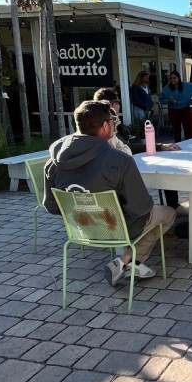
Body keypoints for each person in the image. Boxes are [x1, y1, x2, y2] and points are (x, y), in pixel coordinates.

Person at [44, 100, 176, 286]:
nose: (115, 124)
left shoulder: (52, 163)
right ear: (105, 126)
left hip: (81, 229)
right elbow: (141, 208)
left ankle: (127, 263)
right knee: (169, 213)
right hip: (117, 228)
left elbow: (51, 206)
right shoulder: (119, 160)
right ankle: (129, 261)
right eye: (113, 121)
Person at [93, 87, 181, 208]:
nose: (119, 106)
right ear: (112, 105)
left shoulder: (96, 129)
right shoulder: (106, 131)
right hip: (123, 178)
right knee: (164, 171)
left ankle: (173, 206)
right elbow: (127, 149)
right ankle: (173, 209)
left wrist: (158, 146)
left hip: (117, 180)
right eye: (118, 102)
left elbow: (126, 148)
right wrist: (159, 146)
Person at [159, 71, 192, 142]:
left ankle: (189, 144)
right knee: (176, 129)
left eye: (174, 78)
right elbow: (161, 98)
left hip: (185, 108)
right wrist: (168, 101)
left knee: (188, 128)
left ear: (179, 78)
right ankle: (177, 146)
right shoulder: (166, 88)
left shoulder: (187, 85)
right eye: (171, 78)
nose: (172, 80)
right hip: (173, 110)